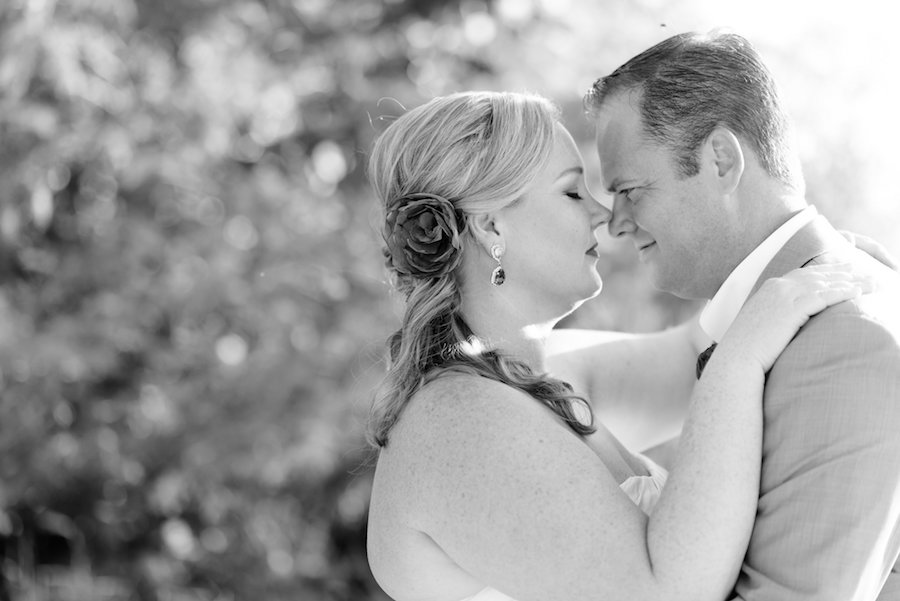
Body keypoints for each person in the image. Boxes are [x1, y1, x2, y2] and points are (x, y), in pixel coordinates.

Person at [364, 90, 872, 601]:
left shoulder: (536, 380)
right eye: (571, 192)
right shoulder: (458, 422)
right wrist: (741, 359)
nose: (603, 216)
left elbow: (692, 351)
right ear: (491, 224)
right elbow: (665, 593)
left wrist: (824, 252)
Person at [580, 31, 900, 600]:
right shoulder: (771, 324)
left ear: (720, 160)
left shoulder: (844, 341)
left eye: (629, 189)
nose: (615, 224)